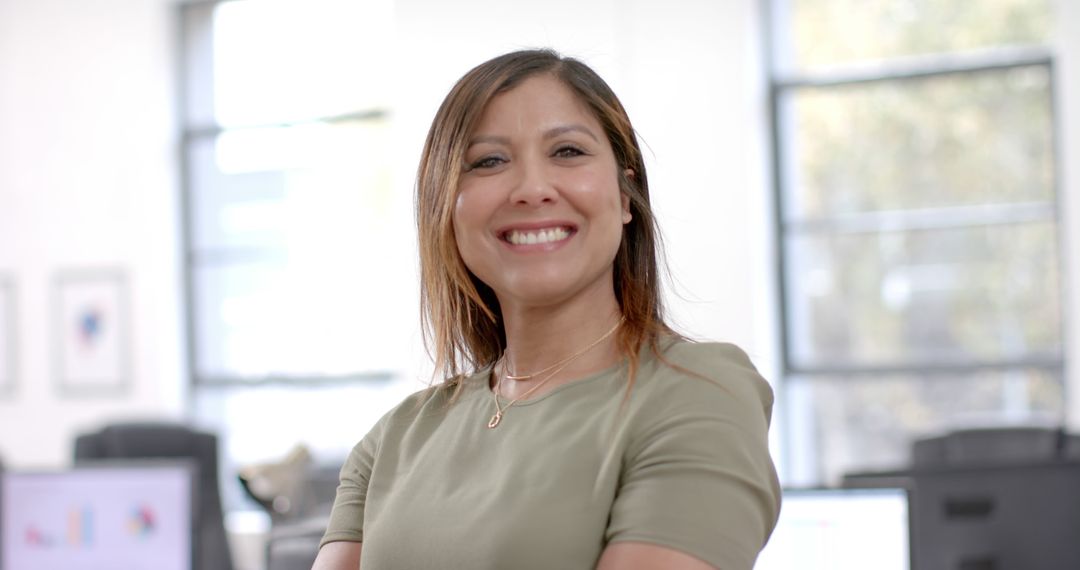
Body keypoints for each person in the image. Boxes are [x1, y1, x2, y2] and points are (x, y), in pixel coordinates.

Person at [312, 48, 780, 570]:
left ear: (625, 196)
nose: (532, 189)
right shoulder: (393, 440)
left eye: (568, 152)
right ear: (445, 207)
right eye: (489, 161)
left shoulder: (699, 392)